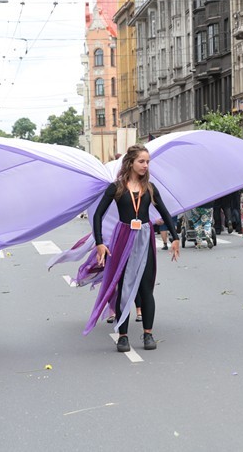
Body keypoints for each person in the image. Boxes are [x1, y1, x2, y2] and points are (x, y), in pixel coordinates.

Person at [90, 144, 179, 352]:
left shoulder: (150, 188)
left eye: (147, 162)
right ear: (130, 162)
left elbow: (165, 213)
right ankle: (123, 336)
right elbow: (97, 215)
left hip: (144, 238)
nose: (145, 166)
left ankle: (148, 334)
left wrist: (175, 237)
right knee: (124, 289)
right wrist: (100, 243)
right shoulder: (116, 187)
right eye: (141, 161)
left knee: (146, 288)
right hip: (123, 238)